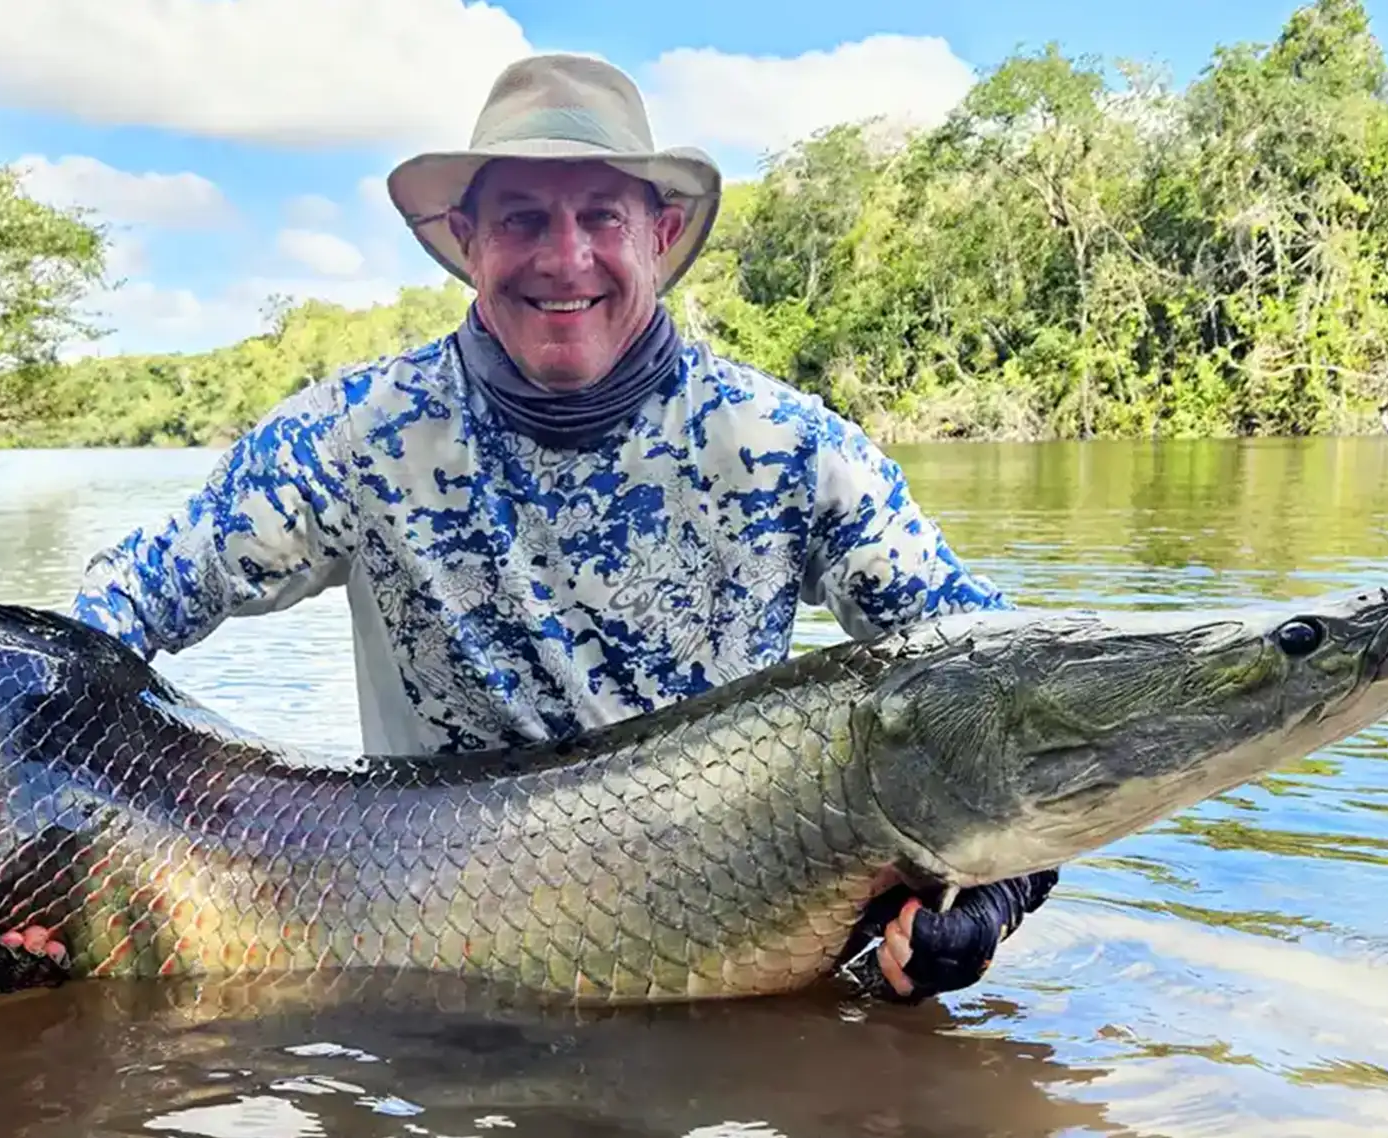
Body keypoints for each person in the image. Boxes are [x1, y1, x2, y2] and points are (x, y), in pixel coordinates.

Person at [51, 53, 1056, 1002]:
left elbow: (1012, 692)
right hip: (426, 943)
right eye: (524, 218)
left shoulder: (790, 447)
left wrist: (998, 895)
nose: (563, 257)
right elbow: (116, 611)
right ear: (468, 242)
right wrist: (38, 822)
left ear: (659, 234)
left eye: (601, 216)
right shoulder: (357, 437)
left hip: (731, 944)